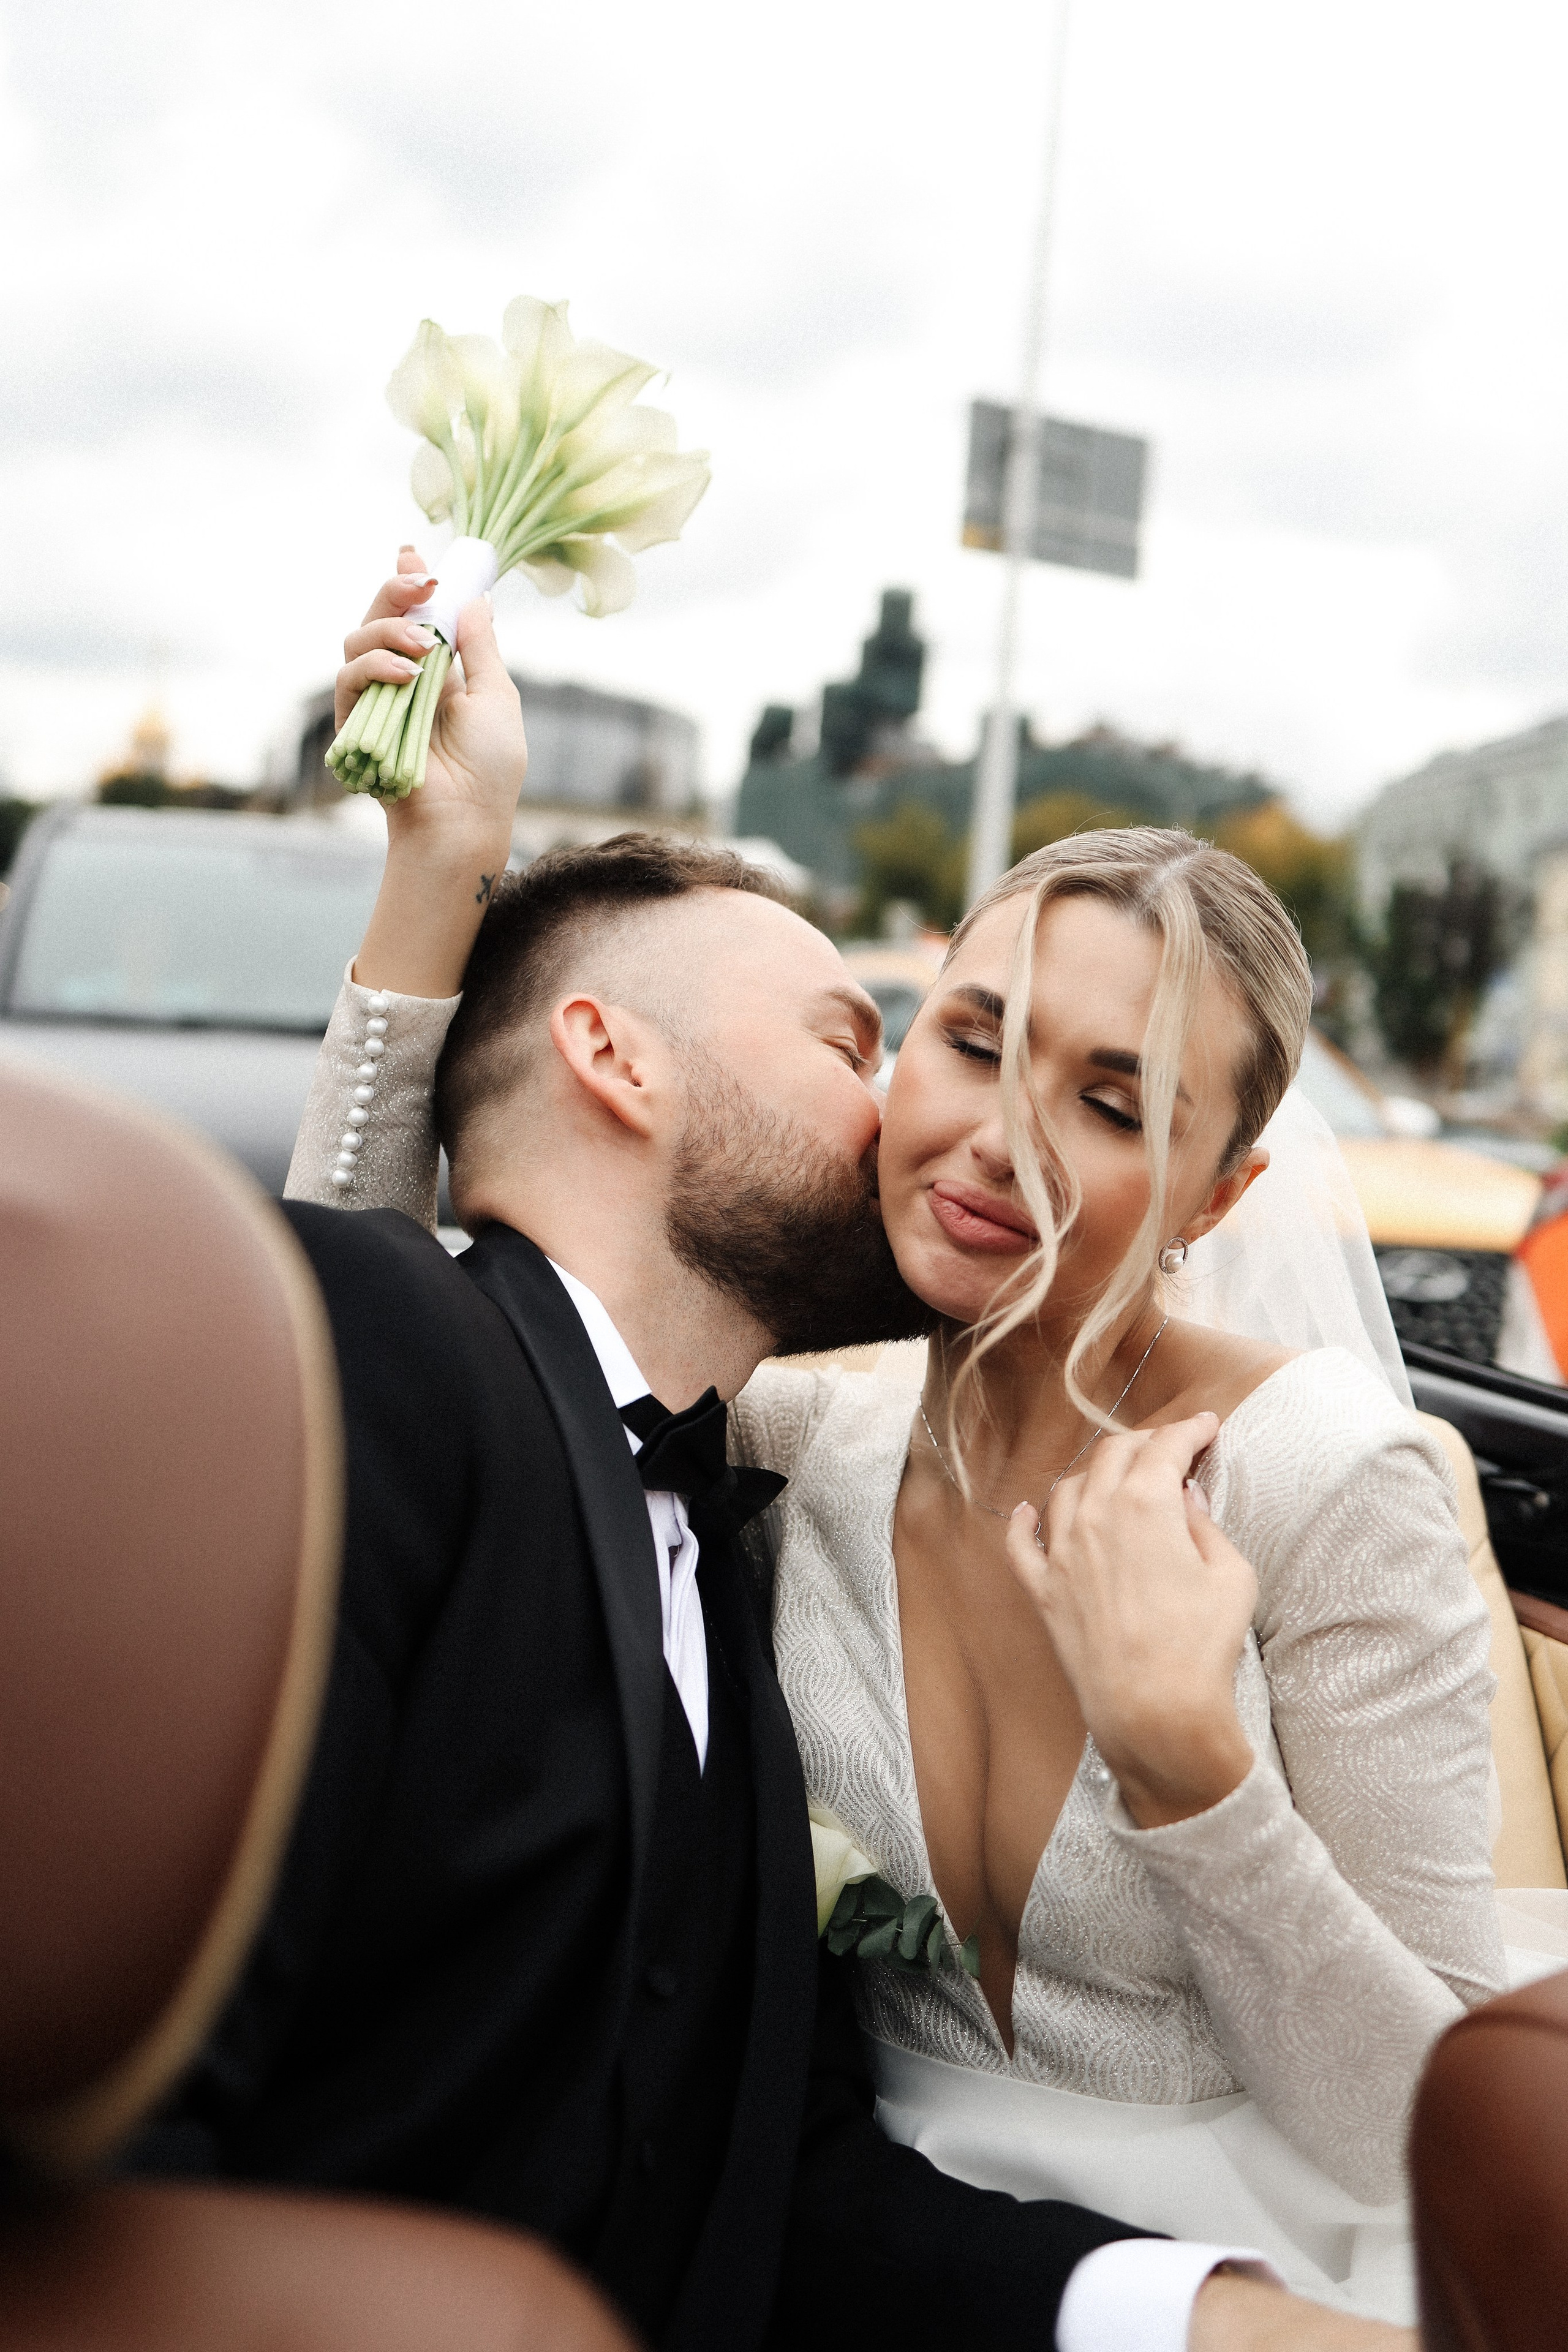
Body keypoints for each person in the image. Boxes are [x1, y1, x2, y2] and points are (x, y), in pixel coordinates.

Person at [153, 552, 1428, 2352]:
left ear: (1222, 1191)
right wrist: (440, 875)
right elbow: (349, 1359)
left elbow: (775, 2162)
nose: (954, 1129)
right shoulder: (555, 1394)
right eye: (902, 1038)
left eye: (1112, 1098)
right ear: (614, 1059)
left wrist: (1194, 2310)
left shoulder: (739, 1478)